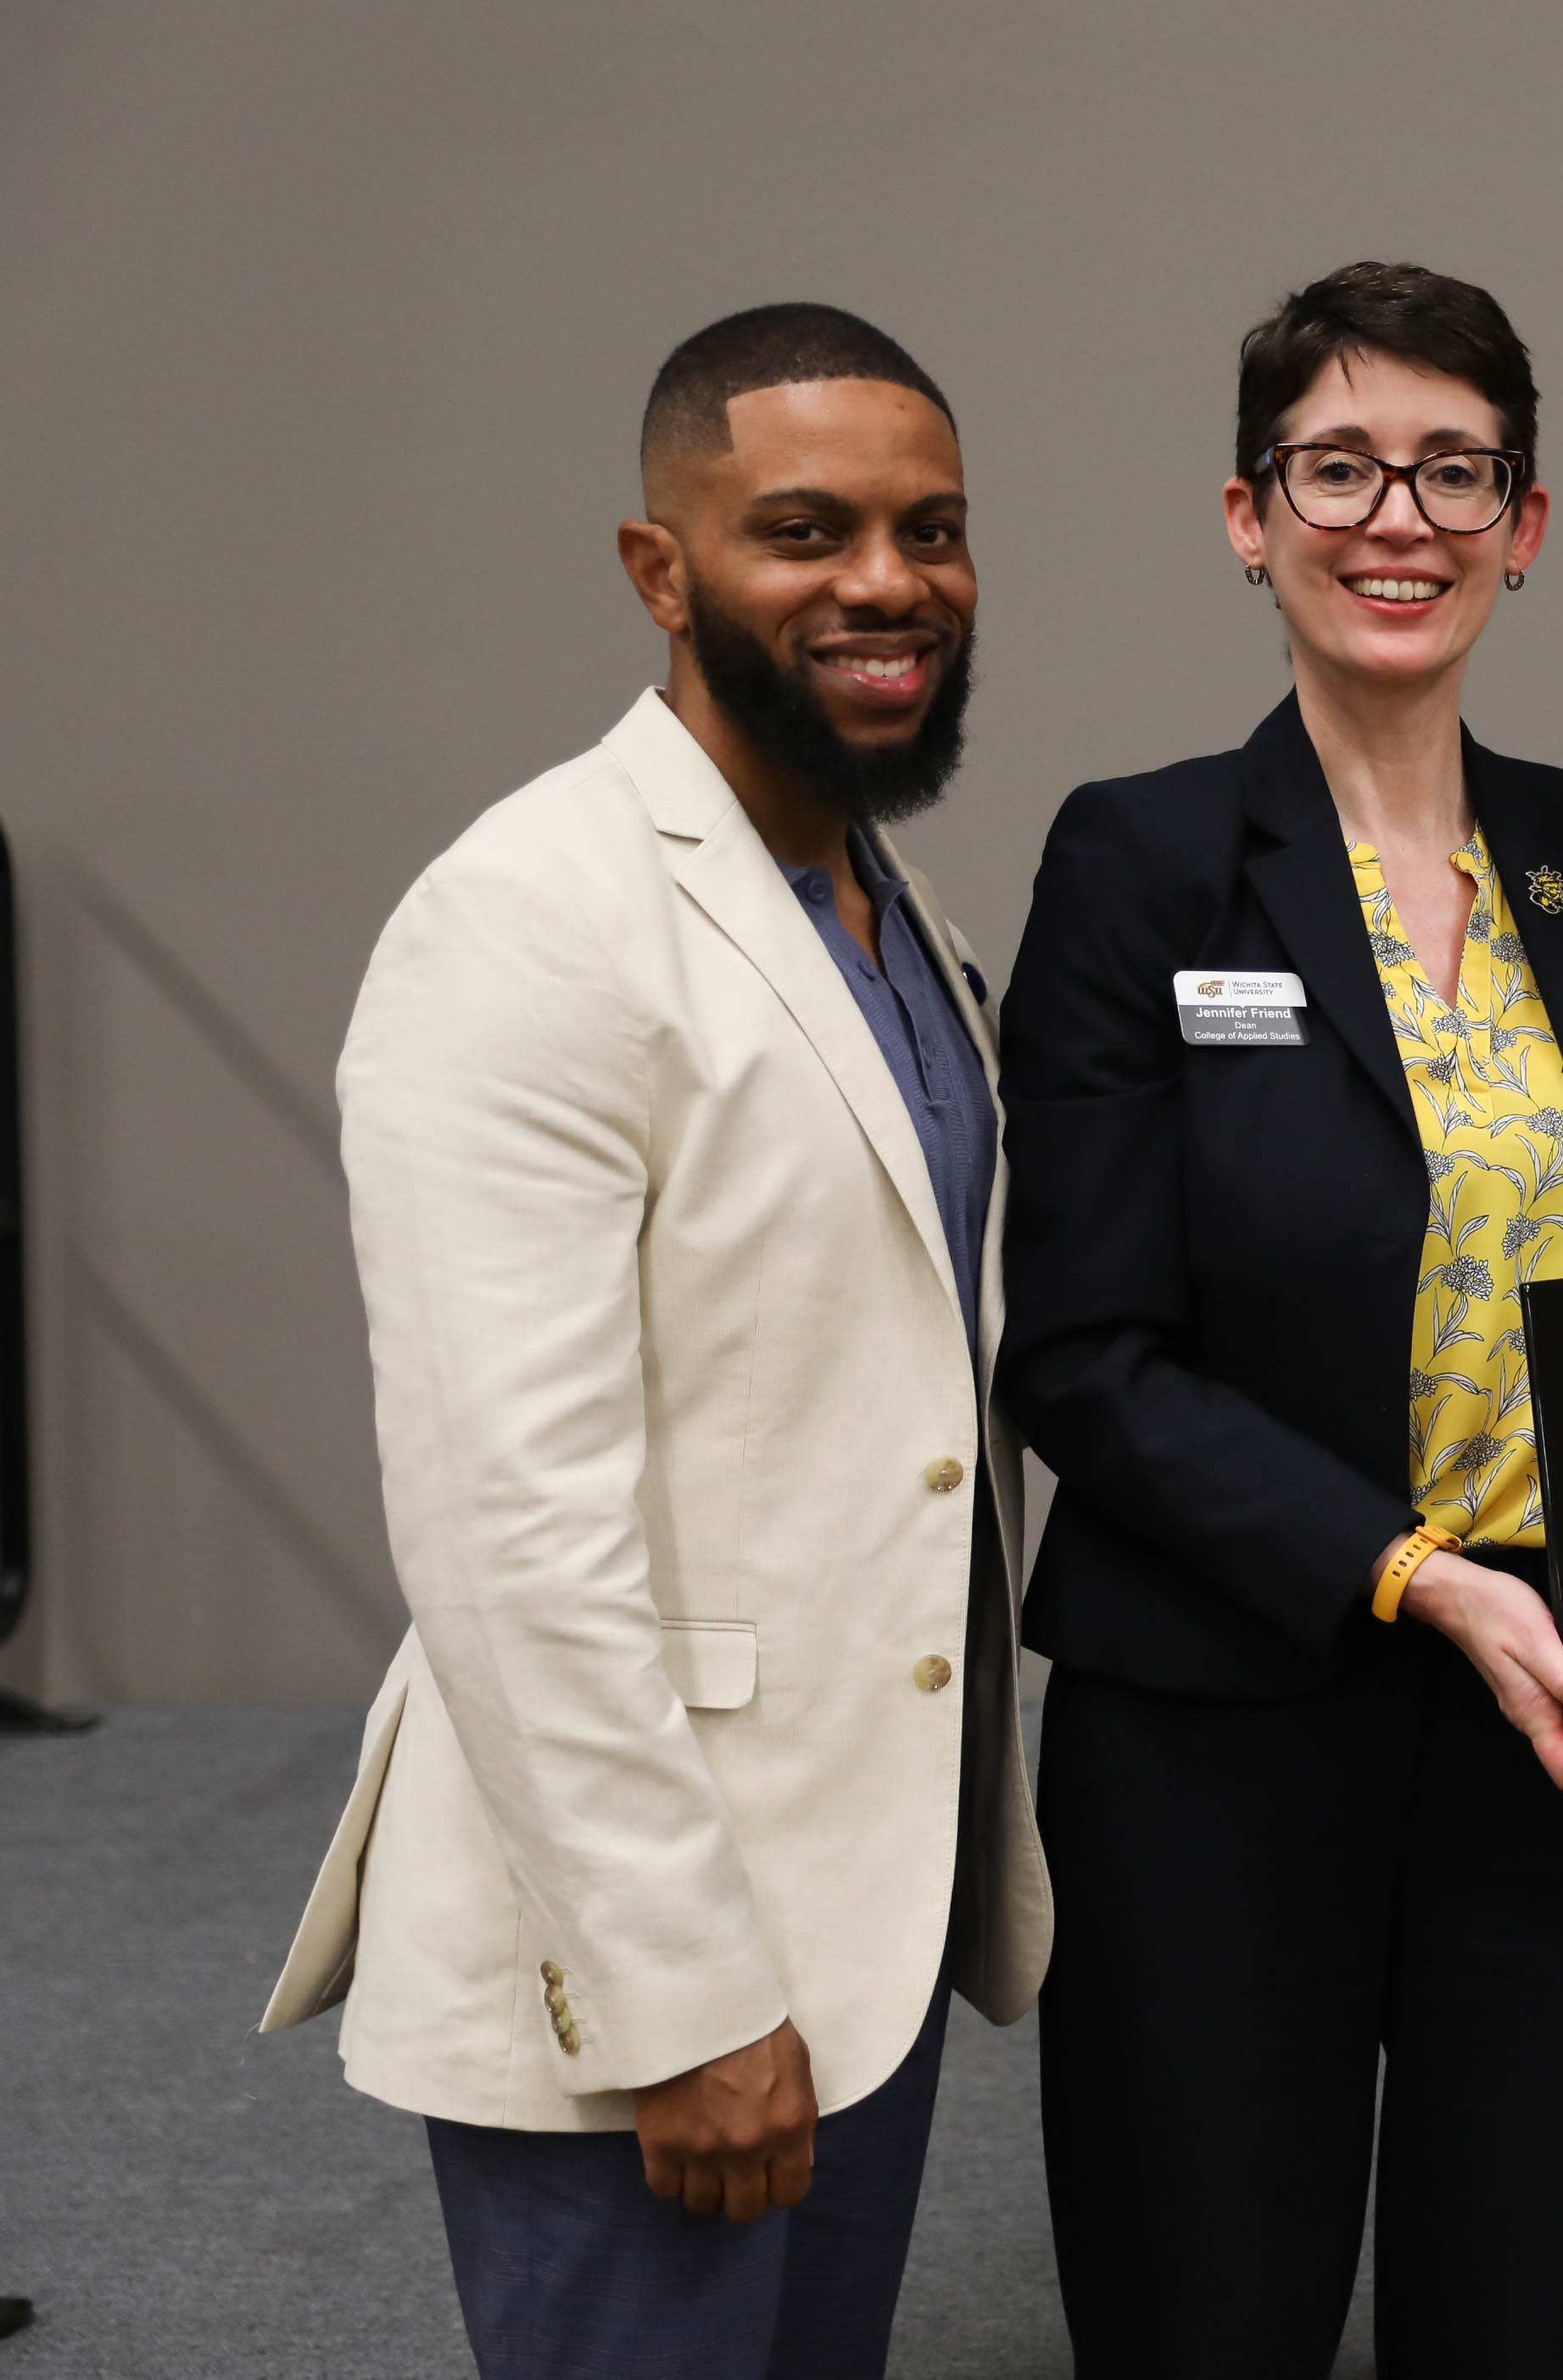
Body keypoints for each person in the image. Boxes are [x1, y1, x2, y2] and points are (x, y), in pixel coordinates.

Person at [256, 303, 1047, 2379]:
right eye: (805, 529)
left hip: (856, 1905)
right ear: (660, 568)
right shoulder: (527, 915)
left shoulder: (888, 902)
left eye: (931, 529)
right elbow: (509, 1524)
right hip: (649, 1964)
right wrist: (681, 1993)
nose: (887, 583)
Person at [994, 261, 1563, 2378]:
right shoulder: (1141, 861)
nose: (1396, 519)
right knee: (1206, 2302)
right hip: (1223, 1706)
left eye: (1453, 471)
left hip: (1560, 1710)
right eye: (1337, 467)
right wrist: (1407, 1576)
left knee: (1524, 2305)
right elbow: (1084, 1360)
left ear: (1526, 520)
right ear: (1247, 514)